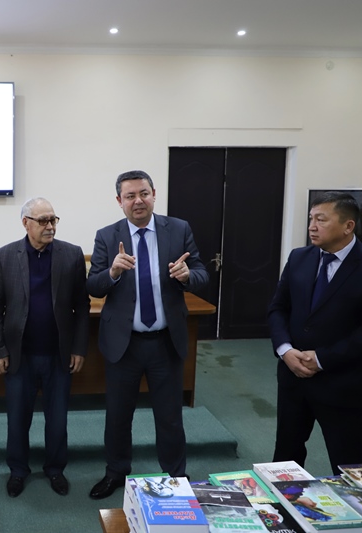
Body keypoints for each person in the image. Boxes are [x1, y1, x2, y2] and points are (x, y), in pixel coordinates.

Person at [86, 170, 208, 499]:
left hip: (165, 342)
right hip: (123, 344)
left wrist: (187, 275)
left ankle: (176, 475)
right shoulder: (107, 236)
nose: (138, 201)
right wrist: (112, 271)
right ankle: (115, 472)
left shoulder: (178, 229)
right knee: (118, 416)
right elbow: (93, 286)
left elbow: (202, 274)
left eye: (143, 193)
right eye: (130, 196)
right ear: (119, 201)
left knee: (169, 417)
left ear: (154, 194)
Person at [268, 191, 362, 474]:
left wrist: (320, 359)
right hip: (293, 378)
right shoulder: (299, 258)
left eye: (321, 220)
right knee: (285, 459)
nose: (312, 227)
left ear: (348, 226)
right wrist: (285, 350)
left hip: (343, 385)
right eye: (311, 219)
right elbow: (278, 309)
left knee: (348, 466)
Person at [0, 197, 90, 497]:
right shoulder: (5, 256)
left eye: (53, 220)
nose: (50, 226)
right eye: (43, 220)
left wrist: (79, 348)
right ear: (26, 223)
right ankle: (18, 470)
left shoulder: (71, 255)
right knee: (18, 420)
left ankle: (55, 469)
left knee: (57, 420)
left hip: (59, 354)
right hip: (19, 355)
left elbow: (82, 307)